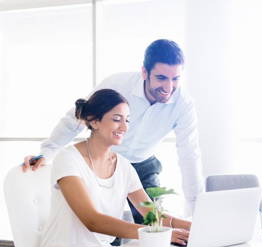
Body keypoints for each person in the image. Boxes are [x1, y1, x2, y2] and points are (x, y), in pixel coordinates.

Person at [23, 39, 203, 221]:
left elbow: (189, 154)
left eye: (175, 79)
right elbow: (77, 118)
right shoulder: (118, 84)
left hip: (144, 164)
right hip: (104, 163)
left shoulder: (183, 104)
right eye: (161, 78)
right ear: (144, 72)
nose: (168, 88)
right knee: (107, 231)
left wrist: (196, 210)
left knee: (155, 227)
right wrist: (48, 151)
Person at [34, 89, 191, 247]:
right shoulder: (68, 159)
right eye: (117, 119)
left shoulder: (123, 166)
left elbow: (152, 215)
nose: (124, 127)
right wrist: (157, 234)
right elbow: (92, 220)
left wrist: (195, 228)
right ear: (94, 120)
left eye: (127, 120)